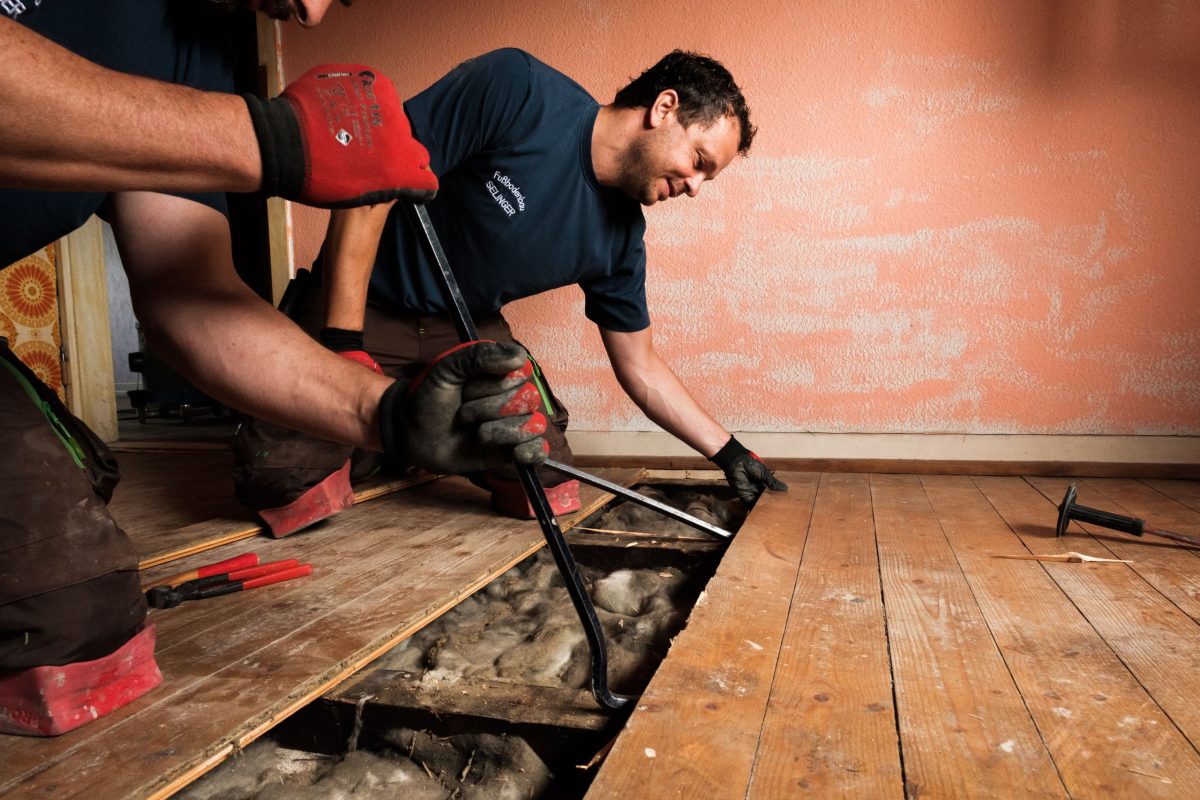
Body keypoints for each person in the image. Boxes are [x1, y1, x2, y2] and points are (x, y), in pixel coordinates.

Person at [0, 2, 547, 736]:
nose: (314, 12)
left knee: (70, 621)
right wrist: (267, 139)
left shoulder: (187, 50)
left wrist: (385, 413)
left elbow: (193, 302)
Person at [234, 47, 788, 531]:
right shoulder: (518, 89)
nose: (693, 189)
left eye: (705, 180)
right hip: (361, 306)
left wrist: (731, 452)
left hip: (465, 332)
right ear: (664, 108)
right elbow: (373, 181)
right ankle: (376, 445)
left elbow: (640, 367)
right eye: (698, 163)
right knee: (291, 493)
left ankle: (402, 433)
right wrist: (341, 340)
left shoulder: (621, 240)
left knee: (547, 487)